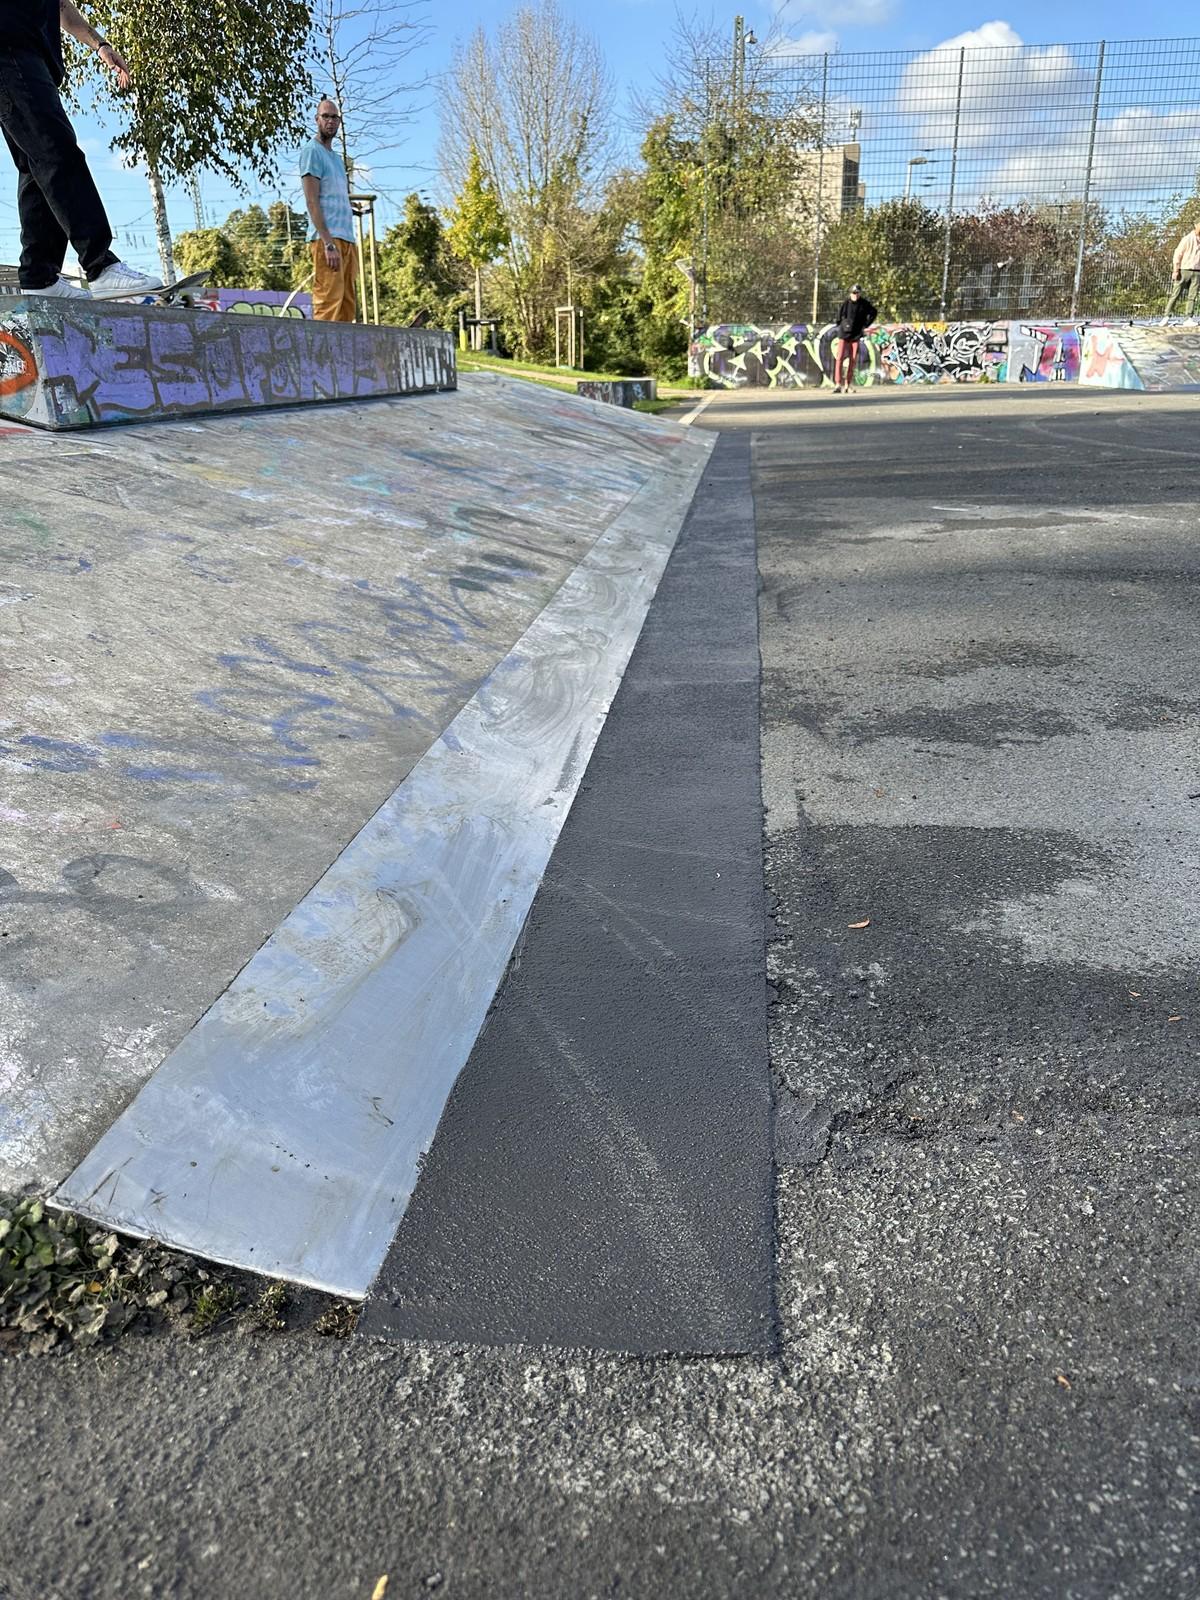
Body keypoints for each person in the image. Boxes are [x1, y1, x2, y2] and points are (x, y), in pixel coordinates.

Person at [0, 0, 162, 298]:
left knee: (37, 166)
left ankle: (40, 278)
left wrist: (101, 45)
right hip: (9, 48)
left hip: (33, 58)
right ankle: (100, 266)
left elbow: (61, 7)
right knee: (57, 152)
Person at [300, 100, 358, 323]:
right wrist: (328, 243)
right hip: (327, 240)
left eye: (335, 118)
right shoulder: (311, 152)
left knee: (346, 306)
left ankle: (343, 357)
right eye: (326, 116)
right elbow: (312, 201)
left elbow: (334, 196)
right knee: (328, 304)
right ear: (317, 120)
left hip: (347, 239)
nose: (330, 121)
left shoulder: (336, 159)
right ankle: (322, 357)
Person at [832, 285, 876, 394]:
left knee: (852, 359)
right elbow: (838, 317)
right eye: (853, 293)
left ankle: (848, 384)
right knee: (839, 358)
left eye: (857, 293)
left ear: (860, 293)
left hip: (856, 335)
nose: (855, 295)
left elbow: (873, 312)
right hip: (844, 334)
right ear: (850, 293)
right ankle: (838, 384)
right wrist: (843, 324)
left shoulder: (864, 304)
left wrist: (866, 324)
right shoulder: (846, 303)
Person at [1162, 220, 1200, 323]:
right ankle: (1166, 316)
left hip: (1197, 272)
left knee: (1192, 296)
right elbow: (1178, 254)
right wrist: (1176, 270)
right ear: (1196, 225)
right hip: (1184, 270)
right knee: (1176, 293)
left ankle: (1188, 317)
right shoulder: (1187, 239)